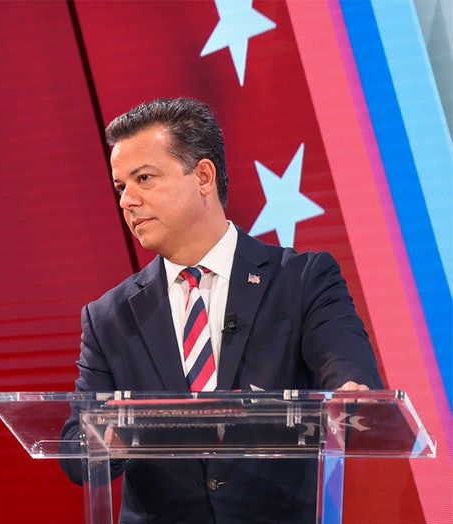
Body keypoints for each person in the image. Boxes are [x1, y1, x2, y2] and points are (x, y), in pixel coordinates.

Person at [59, 97, 383, 523]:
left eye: (144, 178)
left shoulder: (301, 280)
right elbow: (75, 450)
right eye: (121, 187)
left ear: (204, 176)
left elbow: (351, 384)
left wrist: (351, 394)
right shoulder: (107, 318)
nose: (127, 201)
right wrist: (118, 431)